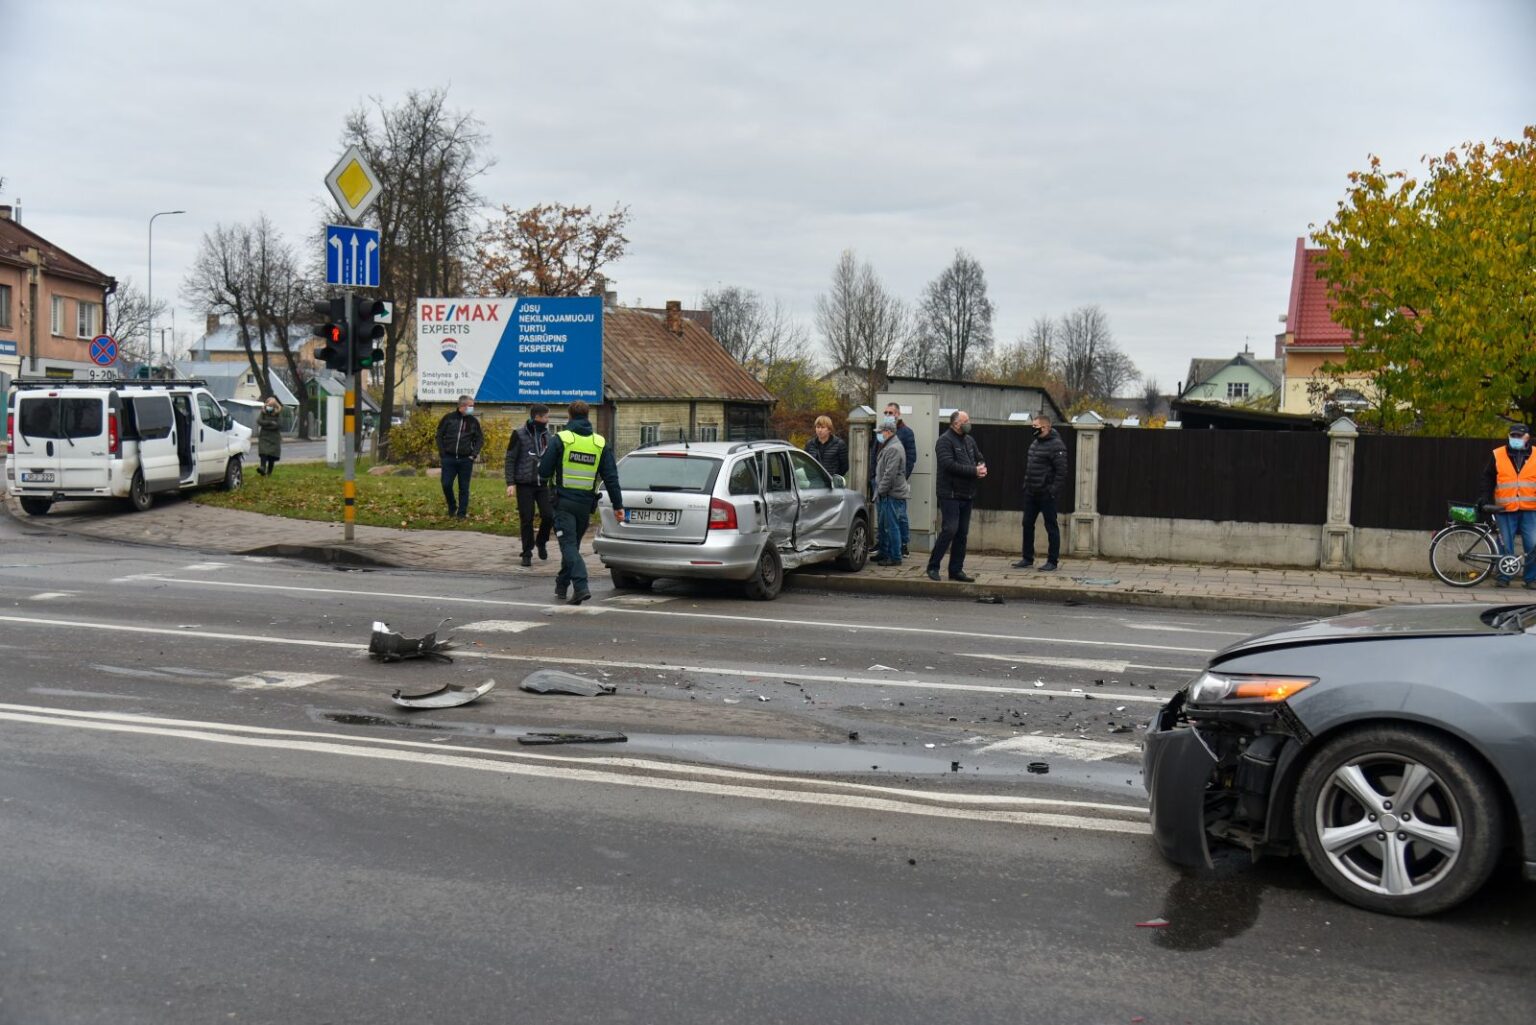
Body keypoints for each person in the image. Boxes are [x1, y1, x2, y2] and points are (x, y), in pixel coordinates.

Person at [538, 400, 624, 605]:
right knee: (572, 547)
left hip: (564, 502)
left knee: (567, 546)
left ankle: (581, 586)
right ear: (587, 417)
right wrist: (618, 506)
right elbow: (611, 478)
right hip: (585, 505)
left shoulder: (561, 439)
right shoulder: (599, 443)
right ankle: (561, 584)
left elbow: (543, 471)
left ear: (569, 416)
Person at [927, 410, 986, 582]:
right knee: (950, 530)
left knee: (962, 533)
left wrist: (982, 466)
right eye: (966, 420)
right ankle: (933, 566)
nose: (969, 423)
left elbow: (979, 457)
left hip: (967, 493)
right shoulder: (944, 441)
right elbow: (949, 465)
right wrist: (974, 471)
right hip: (950, 493)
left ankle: (956, 570)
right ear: (955, 424)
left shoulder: (969, 440)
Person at [1480, 422, 1536, 589]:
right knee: (1505, 544)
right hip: (1504, 508)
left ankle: (1531, 579)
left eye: (1519, 436)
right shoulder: (1498, 454)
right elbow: (1487, 478)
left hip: (1530, 508)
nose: (1515, 439)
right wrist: (1485, 497)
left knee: (1532, 544)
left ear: (1528, 437)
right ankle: (1503, 577)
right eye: (1513, 436)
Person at [1014, 413, 1068, 572]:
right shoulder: (1035, 443)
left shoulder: (1056, 445)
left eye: (1035, 426)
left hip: (1046, 494)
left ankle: (1052, 561)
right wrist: (1026, 484)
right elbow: (1030, 466)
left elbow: (1062, 472)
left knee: (1051, 526)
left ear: (1044, 427)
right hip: (1031, 492)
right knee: (1027, 524)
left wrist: (1052, 491)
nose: (1033, 429)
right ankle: (1027, 558)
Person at [505, 403, 555, 567]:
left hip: (543, 484)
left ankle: (541, 541)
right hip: (524, 483)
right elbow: (510, 458)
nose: (548, 420)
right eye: (546, 417)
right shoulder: (519, 434)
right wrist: (510, 482)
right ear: (537, 417)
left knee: (548, 515)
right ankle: (526, 552)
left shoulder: (548, 436)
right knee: (526, 518)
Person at [871, 402, 917, 555]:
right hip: (879, 480)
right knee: (882, 516)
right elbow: (875, 454)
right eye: (886, 412)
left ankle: (902, 546)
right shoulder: (882, 431)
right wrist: (873, 475)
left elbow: (911, 458)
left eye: (891, 413)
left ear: (898, 414)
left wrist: (901, 477)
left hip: (894, 483)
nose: (888, 415)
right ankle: (882, 545)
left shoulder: (905, 433)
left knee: (899, 516)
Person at [436, 394, 483, 518]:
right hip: (449, 459)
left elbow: (479, 439)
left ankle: (461, 514)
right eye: (471, 406)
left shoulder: (473, 422)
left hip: (465, 460)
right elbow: (439, 435)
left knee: (464, 488)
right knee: (446, 484)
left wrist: (473, 455)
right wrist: (443, 454)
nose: (473, 408)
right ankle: (452, 506)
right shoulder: (448, 418)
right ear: (462, 406)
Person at [872, 417, 910, 566]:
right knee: (884, 525)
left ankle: (895, 557)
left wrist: (880, 490)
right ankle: (884, 552)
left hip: (891, 494)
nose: (879, 435)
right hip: (888, 493)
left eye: (880, 432)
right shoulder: (890, 445)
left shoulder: (893, 448)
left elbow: (890, 474)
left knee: (891, 526)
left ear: (887, 432)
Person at [256, 397, 282, 477]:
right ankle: (262, 468)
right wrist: (270, 423)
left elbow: (278, 425)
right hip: (264, 436)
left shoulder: (278, 414)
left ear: (274, 406)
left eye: (271, 405)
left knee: (272, 455)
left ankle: (269, 473)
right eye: (268, 405)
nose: (269, 406)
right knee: (263, 452)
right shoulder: (263, 413)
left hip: (274, 438)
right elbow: (259, 421)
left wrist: (266, 425)